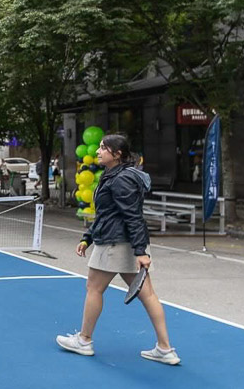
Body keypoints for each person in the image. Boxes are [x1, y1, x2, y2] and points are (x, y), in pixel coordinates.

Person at [57, 133, 180, 365]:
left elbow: (132, 216)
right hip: (125, 242)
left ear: (117, 154)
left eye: (103, 148)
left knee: (93, 288)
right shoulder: (115, 175)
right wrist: (87, 238)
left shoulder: (121, 179)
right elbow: (108, 213)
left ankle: (84, 340)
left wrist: (141, 252)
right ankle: (165, 349)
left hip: (115, 243)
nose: (98, 151)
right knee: (148, 295)